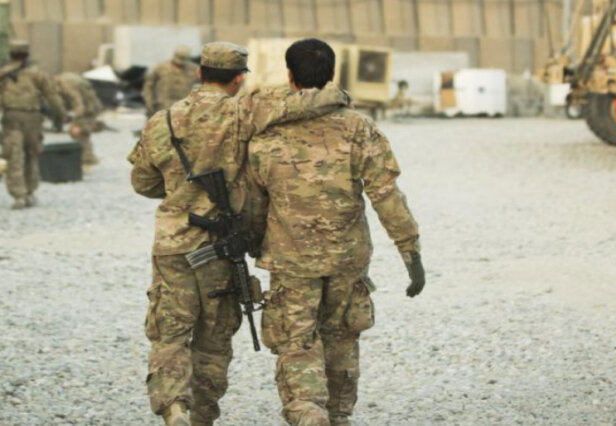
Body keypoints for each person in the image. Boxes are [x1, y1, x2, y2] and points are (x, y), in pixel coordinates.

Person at [128, 41, 350, 426]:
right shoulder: (245, 111)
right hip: (219, 248)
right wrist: (337, 94)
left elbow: (143, 182)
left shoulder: (162, 121)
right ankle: (202, 416)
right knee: (213, 340)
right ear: (239, 78)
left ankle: (173, 408)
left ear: (199, 72)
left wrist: (180, 190)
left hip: (172, 247)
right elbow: (301, 103)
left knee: (170, 334)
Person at [247, 38, 426, 426]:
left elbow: (253, 202)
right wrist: (411, 253)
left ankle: (308, 411)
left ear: (290, 77)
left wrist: (252, 242)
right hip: (347, 257)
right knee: (343, 335)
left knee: (297, 341)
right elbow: (386, 195)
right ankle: (338, 414)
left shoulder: (267, 132)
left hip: (291, 259)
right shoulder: (359, 128)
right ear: (333, 75)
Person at [0, 40, 66, 209]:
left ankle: (18, 195)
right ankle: (29, 192)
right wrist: (61, 116)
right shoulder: (38, 74)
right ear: (27, 54)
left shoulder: (4, 74)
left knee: (14, 156)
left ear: (11, 53)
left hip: (11, 118)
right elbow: (52, 96)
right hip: (33, 118)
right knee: (31, 154)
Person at [54, 73, 103, 165]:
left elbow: (78, 102)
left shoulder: (66, 84)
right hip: (90, 107)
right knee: (80, 132)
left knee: (78, 132)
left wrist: (76, 123)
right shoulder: (63, 80)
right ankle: (87, 157)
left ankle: (88, 158)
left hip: (88, 109)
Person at [142, 45, 199, 118]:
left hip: (183, 109)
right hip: (162, 108)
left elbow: (205, 84)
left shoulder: (193, 69)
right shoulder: (160, 67)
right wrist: (149, 104)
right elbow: (148, 86)